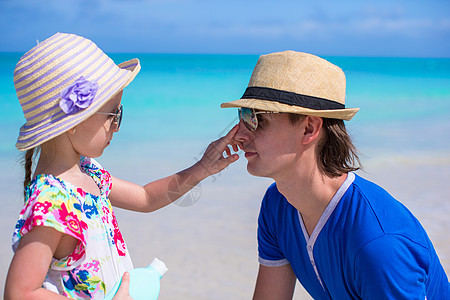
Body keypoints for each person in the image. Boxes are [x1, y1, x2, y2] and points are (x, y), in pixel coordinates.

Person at [4, 32, 239, 300]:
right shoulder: (52, 200)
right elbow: (20, 292)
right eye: (113, 113)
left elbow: (146, 198)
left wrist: (203, 167)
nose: (117, 125)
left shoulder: (88, 171)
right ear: (74, 121)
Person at [221, 50, 450, 299]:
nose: (239, 134)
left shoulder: (378, 244)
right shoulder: (277, 205)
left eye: (256, 119)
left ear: (309, 128)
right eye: (242, 114)